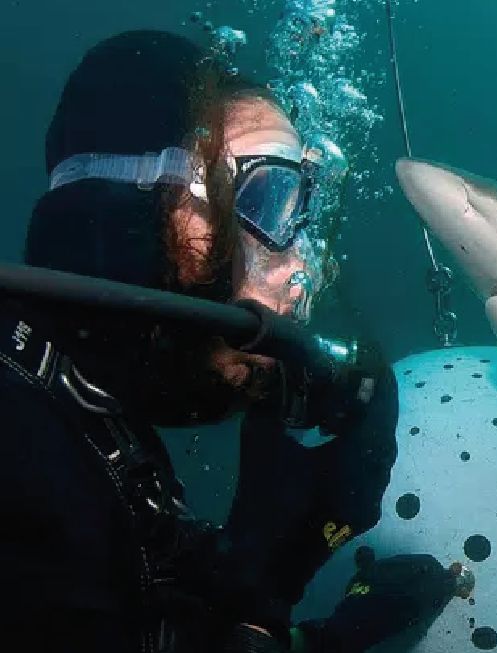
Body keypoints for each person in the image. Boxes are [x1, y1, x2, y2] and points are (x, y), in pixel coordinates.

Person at [0, 30, 465, 652]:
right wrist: (274, 608)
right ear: (128, 204)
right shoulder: (19, 440)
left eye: (308, 212)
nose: (300, 271)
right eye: (272, 199)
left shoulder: (83, 414)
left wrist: (278, 609)